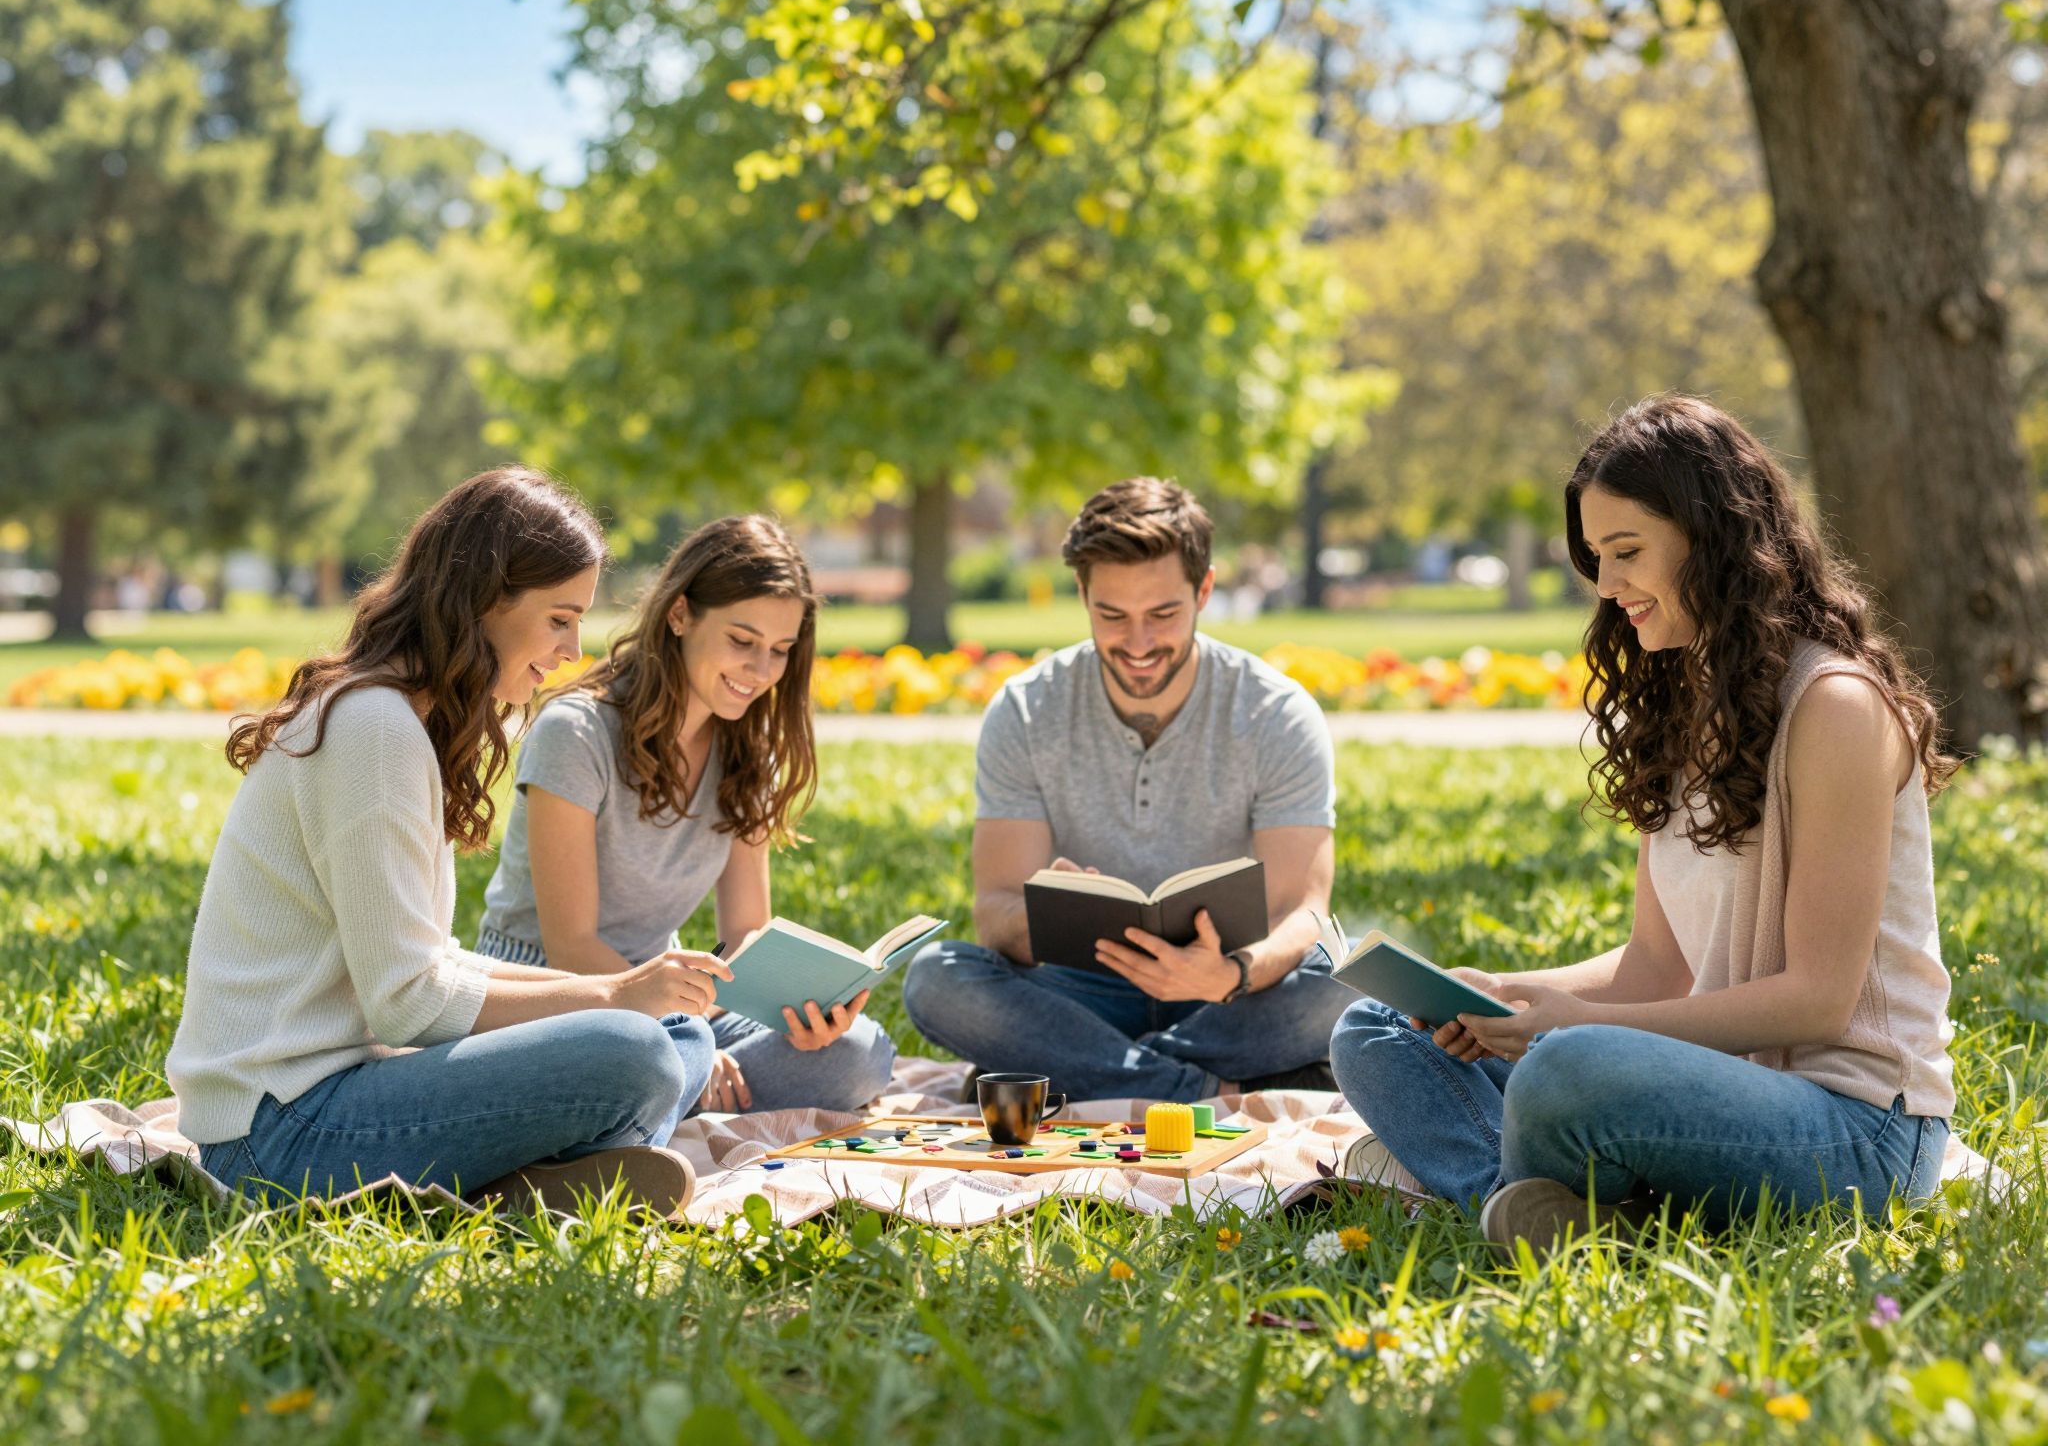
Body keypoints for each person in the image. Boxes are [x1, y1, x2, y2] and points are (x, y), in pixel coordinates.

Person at [1330, 396, 1957, 1254]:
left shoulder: (1835, 708)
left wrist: (1561, 1028)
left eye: (1627, 553)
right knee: (1378, 1028)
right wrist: (1505, 995)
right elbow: (1656, 966)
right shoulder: (1683, 704)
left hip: (1858, 1131)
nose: (1608, 585)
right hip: (1710, 1089)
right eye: (1596, 558)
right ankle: (1530, 1208)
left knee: (1568, 1069)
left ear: (1718, 539)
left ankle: (1484, 1186)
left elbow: (1819, 999)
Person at [167, 469, 727, 1215]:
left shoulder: (401, 721)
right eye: (560, 618)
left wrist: (633, 993)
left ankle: (523, 1176)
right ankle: (533, 1176)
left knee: (676, 1035)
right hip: (277, 1136)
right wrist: (611, 996)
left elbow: (430, 964)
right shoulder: (372, 729)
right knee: (641, 1054)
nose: (572, 649)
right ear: (488, 598)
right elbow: (407, 1002)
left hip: (333, 1096)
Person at [902, 477, 1354, 1101]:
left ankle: (1078, 1068)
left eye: (1163, 615)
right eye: (1111, 616)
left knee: (1351, 976)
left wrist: (1230, 973)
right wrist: (1052, 918)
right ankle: (1209, 1087)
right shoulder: (1027, 709)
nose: (1138, 644)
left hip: (1224, 994)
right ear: (1082, 594)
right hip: (1079, 987)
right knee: (937, 977)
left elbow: (1301, 911)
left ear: (1204, 591)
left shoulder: (1276, 713)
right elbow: (994, 911)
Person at [475, 515, 896, 1114]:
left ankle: (663, 1096)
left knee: (860, 1053)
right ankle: (664, 1086)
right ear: (679, 615)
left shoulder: (745, 752)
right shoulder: (576, 733)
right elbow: (571, 945)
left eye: (779, 651)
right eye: (742, 641)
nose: (760, 670)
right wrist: (681, 1033)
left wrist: (800, 1008)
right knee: (650, 1057)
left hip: (669, 1000)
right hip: (549, 997)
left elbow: (747, 930)